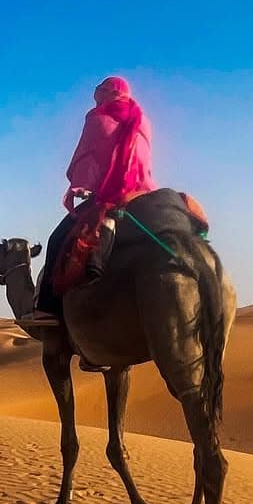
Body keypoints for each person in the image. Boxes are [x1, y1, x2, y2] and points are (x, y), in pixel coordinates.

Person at [20, 76, 155, 327]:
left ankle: (47, 309)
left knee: (57, 238)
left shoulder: (99, 117)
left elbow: (90, 157)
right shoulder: (142, 120)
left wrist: (84, 185)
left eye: (99, 89)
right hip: (142, 194)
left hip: (111, 196)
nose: (95, 94)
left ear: (108, 92)